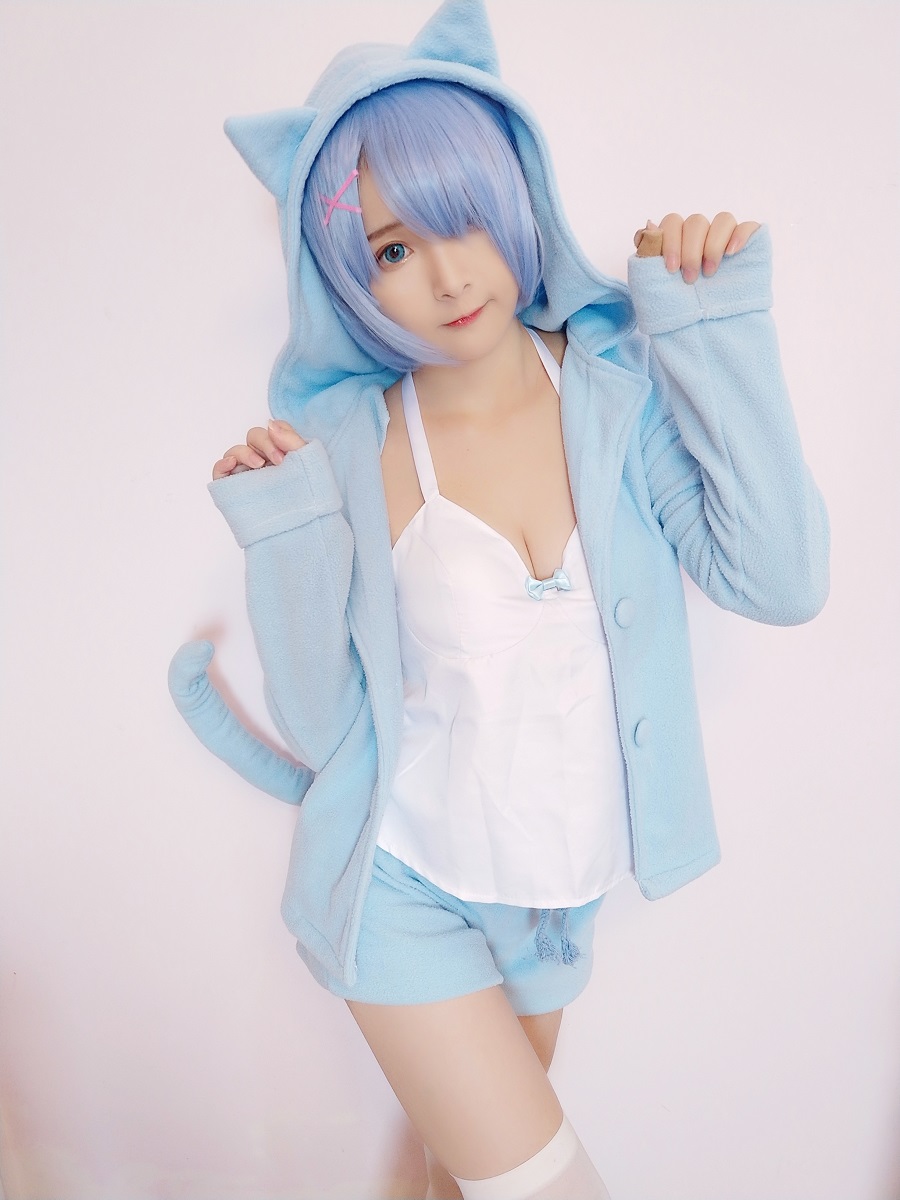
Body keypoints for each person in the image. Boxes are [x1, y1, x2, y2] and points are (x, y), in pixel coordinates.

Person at [168, 1, 829, 1195]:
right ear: (348, 277)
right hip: (397, 889)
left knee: (453, 1180)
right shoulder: (352, 438)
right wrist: (286, 535)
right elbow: (324, 719)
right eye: (390, 250)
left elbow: (778, 581)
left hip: (554, 906)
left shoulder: (616, 389)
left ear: (515, 194)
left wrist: (714, 325)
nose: (445, 275)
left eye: (461, 216)